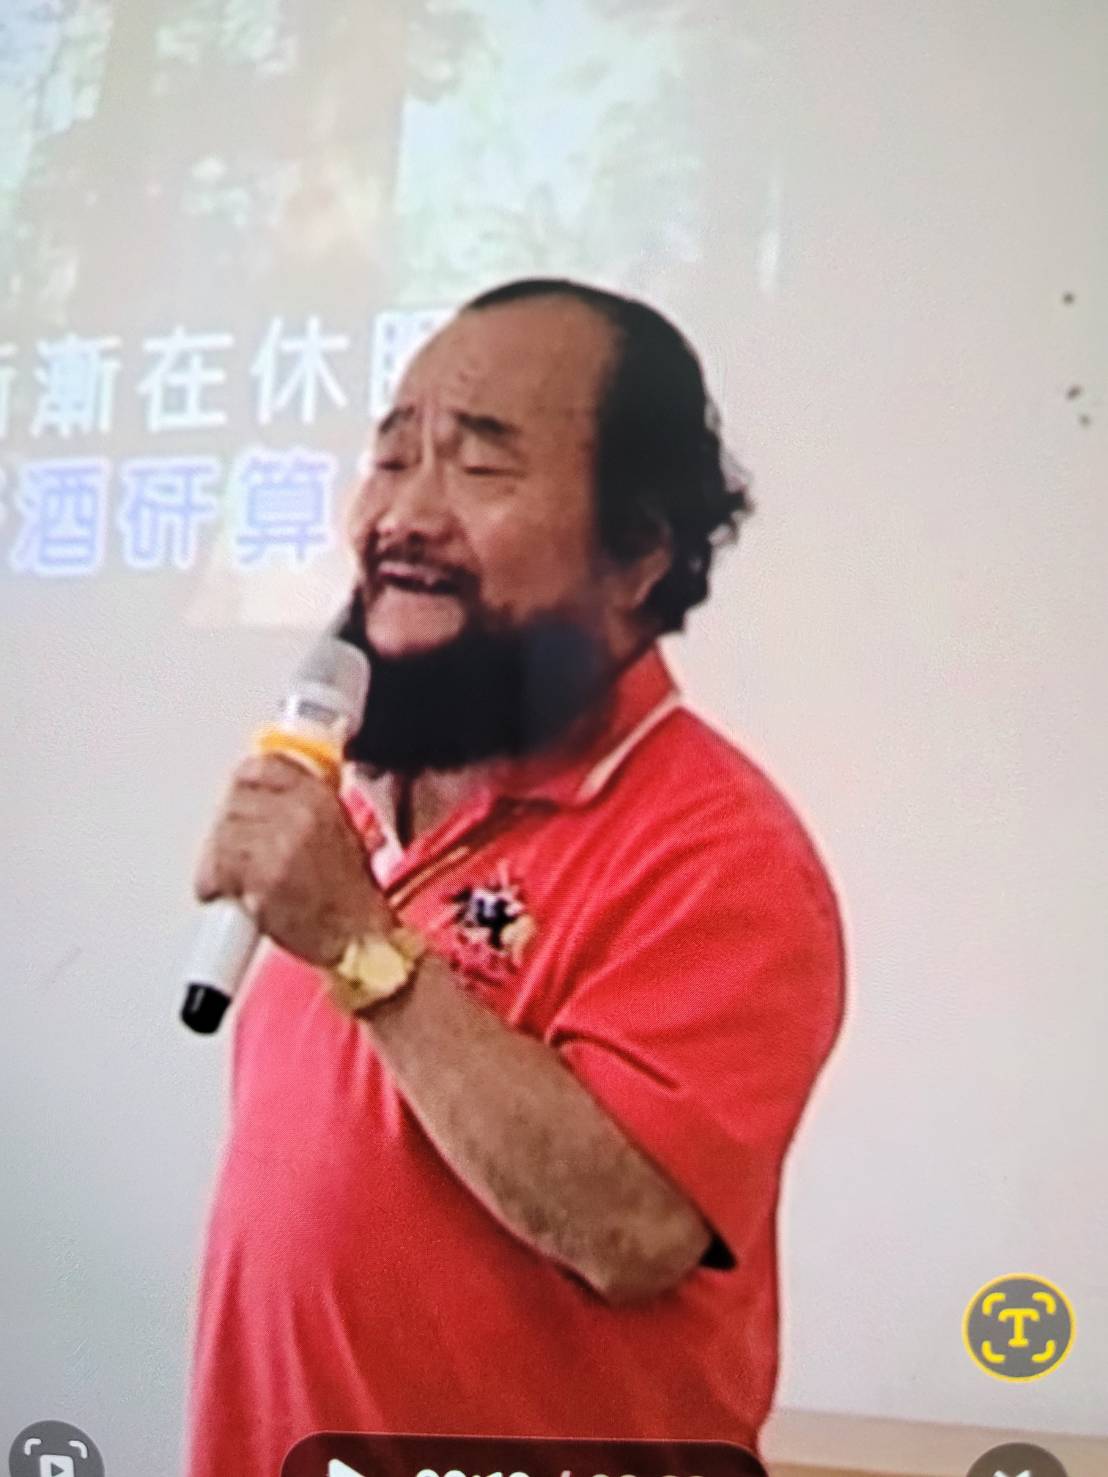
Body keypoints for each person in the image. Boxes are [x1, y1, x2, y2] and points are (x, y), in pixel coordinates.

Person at [185, 279, 846, 1476]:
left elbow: (632, 1228)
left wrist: (362, 946)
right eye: (392, 457)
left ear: (637, 550)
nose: (404, 514)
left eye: (480, 464)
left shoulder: (720, 848)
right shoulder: (347, 797)